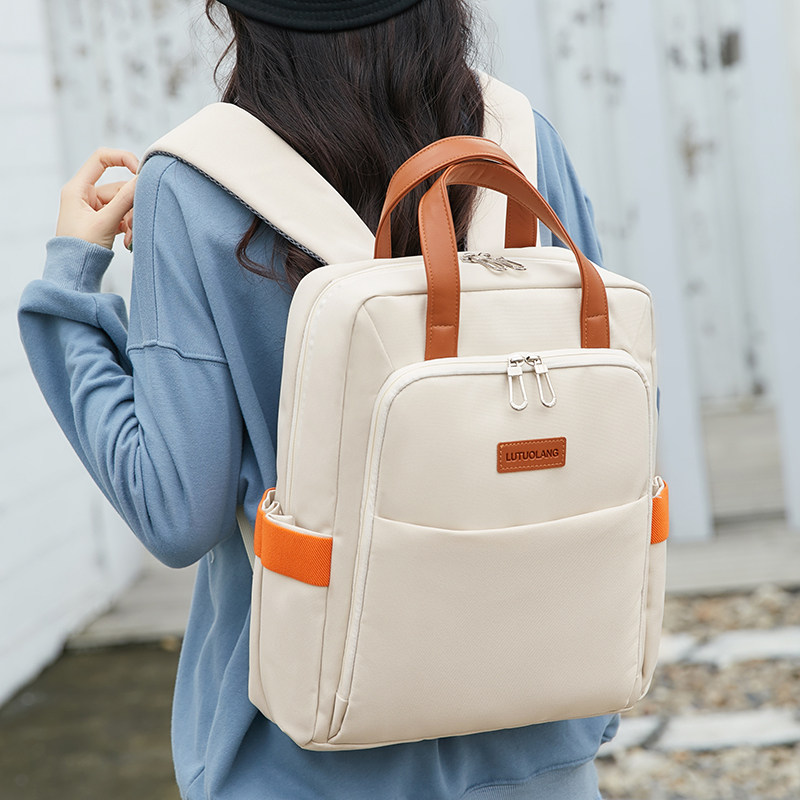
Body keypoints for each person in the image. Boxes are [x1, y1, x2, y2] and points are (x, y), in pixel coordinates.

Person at [18, 0, 618, 797]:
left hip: (306, 753)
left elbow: (178, 513)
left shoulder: (195, 188)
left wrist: (70, 288)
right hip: (535, 730)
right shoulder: (519, 145)